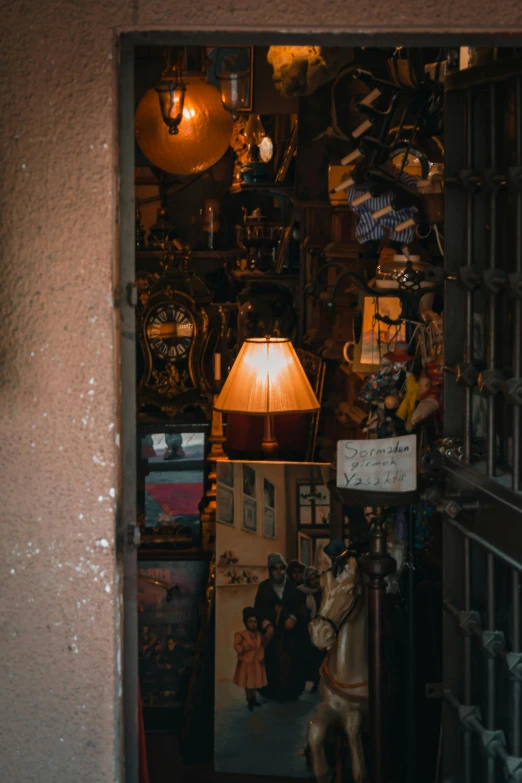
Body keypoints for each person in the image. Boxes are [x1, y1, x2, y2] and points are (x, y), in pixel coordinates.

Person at [254, 553, 307, 701]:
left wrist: (294, 617)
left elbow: (300, 606)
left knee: (291, 663)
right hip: (273, 634)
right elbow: (258, 609)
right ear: (270, 570)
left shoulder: (292, 586)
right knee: (273, 663)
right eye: (275, 568)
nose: (279, 572)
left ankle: (292, 691)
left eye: (282, 568)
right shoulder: (263, 587)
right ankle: (272, 692)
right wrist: (267, 624)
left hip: (290, 633)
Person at [233, 607, 274, 711]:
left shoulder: (259, 635)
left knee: (254, 682)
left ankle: (254, 699)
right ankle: (249, 700)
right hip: (246, 663)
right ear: (246, 623)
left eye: (255, 622)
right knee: (248, 683)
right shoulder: (241, 634)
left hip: (256, 662)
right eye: (250, 622)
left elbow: (263, 644)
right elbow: (236, 646)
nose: (253, 624)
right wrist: (242, 648)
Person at [298, 566, 325, 691]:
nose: (315, 581)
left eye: (316, 577)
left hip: (322, 626)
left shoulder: (323, 590)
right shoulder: (302, 592)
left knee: (322, 655)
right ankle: (315, 681)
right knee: (312, 656)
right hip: (308, 628)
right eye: (312, 579)